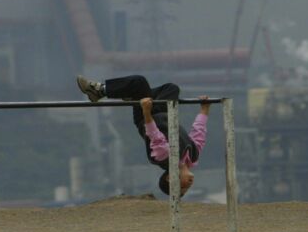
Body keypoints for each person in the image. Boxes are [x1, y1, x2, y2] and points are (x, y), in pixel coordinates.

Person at [76, 74, 210, 197]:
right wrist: (204, 110)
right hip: (164, 111)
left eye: (183, 187)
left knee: (139, 82)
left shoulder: (164, 158)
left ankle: (99, 90)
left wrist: (146, 112)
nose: (189, 185)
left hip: (147, 116)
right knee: (172, 88)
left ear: (170, 178)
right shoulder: (193, 156)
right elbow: (199, 133)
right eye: (186, 189)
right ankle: (131, 94)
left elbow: (154, 134)